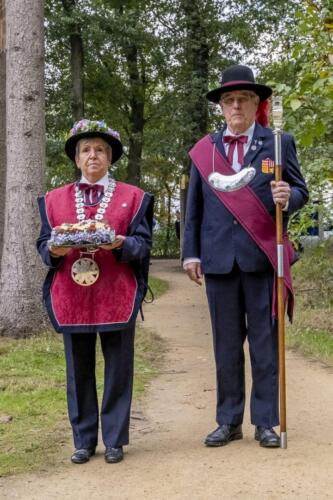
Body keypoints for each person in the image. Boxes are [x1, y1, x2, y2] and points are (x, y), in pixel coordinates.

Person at [182, 65, 308, 448]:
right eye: (228, 100)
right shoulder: (206, 150)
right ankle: (228, 419)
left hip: (263, 258)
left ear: (257, 104)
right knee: (225, 346)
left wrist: (290, 197)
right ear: (221, 107)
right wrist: (191, 254)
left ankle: (266, 422)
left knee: (265, 344)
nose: (235, 106)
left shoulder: (278, 143)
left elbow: (301, 191)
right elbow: (194, 208)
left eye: (243, 99)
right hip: (218, 260)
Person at [37, 119, 153, 464]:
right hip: (71, 296)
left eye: (100, 150)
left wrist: (120, 243)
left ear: (110, 158)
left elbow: (142, 244)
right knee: (78, 369)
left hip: (116, 292)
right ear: (76, 158)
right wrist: (53, 251)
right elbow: (44, 244)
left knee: (119, 367)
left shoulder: (133, 198)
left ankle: (115, 439)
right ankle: (84, 440)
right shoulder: (53, 200)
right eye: (86, 150)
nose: (93, 155)